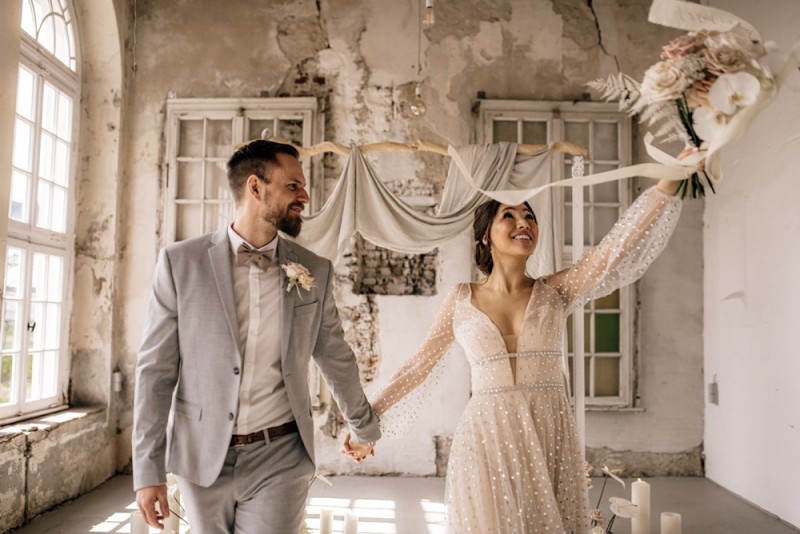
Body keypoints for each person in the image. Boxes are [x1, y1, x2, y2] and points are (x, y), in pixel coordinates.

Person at [345, 178, 682, 532]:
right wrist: (364, 424)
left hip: (548, 429)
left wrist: (666, 186)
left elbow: (612, 252)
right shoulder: (461, 299)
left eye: (529, 216)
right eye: (509, 215)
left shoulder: (556, 291)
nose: (524, 223)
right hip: (486, 434)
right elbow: (417, 366)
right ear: (486, 236)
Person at [133, 140, 380, 534]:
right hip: (201, 454)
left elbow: (334, 354)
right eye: (293, 186)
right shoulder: (181, 263)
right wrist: (147, 471)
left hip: (282, 454)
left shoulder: (313, 269)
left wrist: (363, 426)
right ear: (255, 188)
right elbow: (155, 372)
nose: (305, 196)